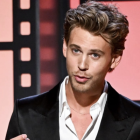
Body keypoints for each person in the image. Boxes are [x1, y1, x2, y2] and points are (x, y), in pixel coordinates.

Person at [6, 0, 140, 140]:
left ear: (114, 59)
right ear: (65, 47)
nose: (82, 65)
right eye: (76, 50)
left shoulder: (136, 122)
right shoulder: (24, 114)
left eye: (94, 55)